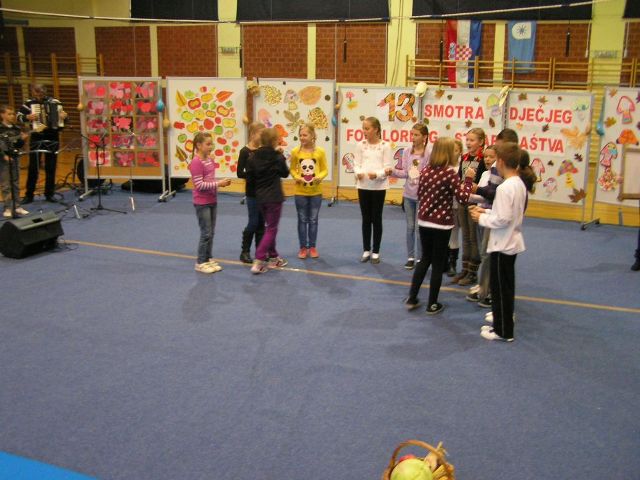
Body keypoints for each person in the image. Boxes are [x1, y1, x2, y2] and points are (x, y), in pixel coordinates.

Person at [470, 142, 535, 342]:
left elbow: (502, 219)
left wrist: (481, 218)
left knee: (500, 288)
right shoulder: (518, 183)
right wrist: (486, 211)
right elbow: (505, 213)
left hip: (502, 243)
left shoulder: (506, 187)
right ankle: (503, 323)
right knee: (505, 287)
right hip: (510, 241)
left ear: (501, 162)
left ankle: (502, 330)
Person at [405, 137, 475, 315]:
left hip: (424, 221)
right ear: (449, 153)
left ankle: (412, 297)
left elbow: (420, 193)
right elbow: (463, 198)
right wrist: (468, 180)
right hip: (441, 224)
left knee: (425, 259)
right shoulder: (449, 173)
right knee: (437, 264)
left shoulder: (426, 170)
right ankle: (432, 303)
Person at [245, 127, 290, 274]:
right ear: (274, 141)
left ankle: (274, 257)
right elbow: (285, 173)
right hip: (274, 197)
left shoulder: (252, 157)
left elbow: (250, 178)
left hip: (259, 197)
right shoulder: (277, 157)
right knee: (271, 228)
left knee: (269, 227)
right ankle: (259, 260)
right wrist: (281, 157)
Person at [189, 132, 231, 274]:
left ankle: (207, 258)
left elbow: (209, 179)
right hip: (202, 202)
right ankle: (200, 262)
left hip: (212, 199)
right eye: (207, 144)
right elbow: (199, 185)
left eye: (211, 144)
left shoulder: (209, 160)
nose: (211, 146)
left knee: (211, 232)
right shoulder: (196, 162)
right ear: (199, 145)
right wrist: (219, 183)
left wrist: (218, 183)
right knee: (206, 232)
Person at [17, 84, 67, 203]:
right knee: (33, 166)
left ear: (45, 92)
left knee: (51, 166)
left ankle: (49, 194)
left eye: (41, 93)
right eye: (37, 93)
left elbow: (63, 121)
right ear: (32, 92)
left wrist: (64, 117)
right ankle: (29, 195)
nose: (39, 95)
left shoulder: (55, 102)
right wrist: (27, 117)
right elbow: (18, 117)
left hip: (52, 136)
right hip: (37, 136)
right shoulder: (29, 103)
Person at [466, 145, 502, 308]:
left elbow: (491, 196)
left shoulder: (497, 176)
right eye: (485, 156)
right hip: (482, 215)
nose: (487, 159)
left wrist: (476, 194)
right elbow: (482, 195)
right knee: (483, 251)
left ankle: (486, 289)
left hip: (490, 217)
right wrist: (469, 196)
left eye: (491, 157)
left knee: (488, 254)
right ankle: (483, 285)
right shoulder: (485, 174)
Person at [354, 117, 393, 264]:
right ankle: (366, 250)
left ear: (376, 129)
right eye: (363, 128)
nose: (364, 131)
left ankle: (376, 251)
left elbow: (388, 167)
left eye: (367, 128)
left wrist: (377, 174)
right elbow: (356, 164)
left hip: (378, 187)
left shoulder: (385, 146)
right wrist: (358, 172)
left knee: (376, 218)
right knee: (366, 218)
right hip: (363, 186)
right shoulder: (360, 145)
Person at [392, 123, 431, 269]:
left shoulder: (429, 153)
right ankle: (410, 257)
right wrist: (393, 172)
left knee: (420, 229)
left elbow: (430, 173)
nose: (413, 137)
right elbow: (404, 172)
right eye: (412, 134)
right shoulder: (407, 151)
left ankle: (421, 258)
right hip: (408, 195)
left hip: (422, 196)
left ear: (424, 137)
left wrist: (419, 174)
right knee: (410, 227)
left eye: (416, 135)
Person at [451, 128, 486, 286]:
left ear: (481, 142)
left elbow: (481, 183)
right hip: (462, 201)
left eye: (472, 140)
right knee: (464, 235)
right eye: (467, 140)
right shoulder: (464, 157)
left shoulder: (483, 160)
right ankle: (464, 269)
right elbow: (459, 177)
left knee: (473, 237)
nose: (469, 143)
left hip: (474, 202)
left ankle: (473, 272)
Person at [289, 123, 328, 259]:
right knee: (302, 220)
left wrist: (319, 177)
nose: (302, 137)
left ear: (312, 136)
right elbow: (292, 169)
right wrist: (297, 177)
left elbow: (324, 169)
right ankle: (302, 247)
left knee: (313, 220)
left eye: (305, 135)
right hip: (300, 193)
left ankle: (312, 247)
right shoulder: (295, 152)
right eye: (300, 135)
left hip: (316, 192)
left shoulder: (320, 152)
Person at [236, 122, 266, 264]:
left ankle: (260, 252)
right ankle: (245, 251)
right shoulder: (244, 151)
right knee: (253, 222)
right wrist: (253, 175)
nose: (263, 137)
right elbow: (239, 173)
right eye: (261, 134)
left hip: (264, 192)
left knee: (261, 223)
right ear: (253, 134)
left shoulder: (263, 150)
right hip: (252, 193)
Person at [0, 105, 29, 218]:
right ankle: (8, 207)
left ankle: (17, 206)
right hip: (3, 160)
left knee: (15, 183)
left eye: (13, 114)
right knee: (6, 184)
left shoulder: (16, 129)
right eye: (9, 114)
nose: (12, 116)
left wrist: (23, 139)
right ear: (2, 115)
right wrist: (4, 156)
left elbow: (18, 145)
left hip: (15, 158)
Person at [446, 139, 464, 276]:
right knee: (448, 234)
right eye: (451, 150)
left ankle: (454, 263)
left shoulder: (461, 168)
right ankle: (447, 262)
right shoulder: (445, 167)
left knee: (457, 234)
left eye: (456, 150)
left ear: (460, 152)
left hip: (460, 204)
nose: (453, 153)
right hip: (447, 205)